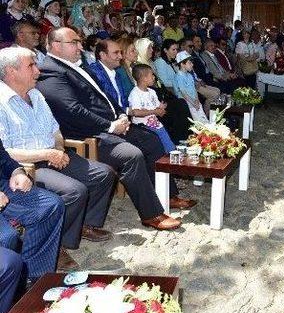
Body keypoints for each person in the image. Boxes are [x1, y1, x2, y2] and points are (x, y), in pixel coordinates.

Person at [37, 27, 190, 230]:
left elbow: (103, 98)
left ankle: (167, 195)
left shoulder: (75, 66)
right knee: (131, 155)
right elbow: (73, 110)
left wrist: (121, 116)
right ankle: (151, 214)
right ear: (56, 46)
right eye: (74, 42)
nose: (80, 47)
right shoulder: (51, 71)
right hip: (88, 135)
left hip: (108, 125)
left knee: (152, 139)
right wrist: (110, 125)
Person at [0, 47, 115, 266]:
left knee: (103, 174)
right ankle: (55, 243)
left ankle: (82, 225)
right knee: (74, 191)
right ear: (11, 71)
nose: (38, 70)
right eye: (31, 65)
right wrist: (46, 153)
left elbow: (55, 130)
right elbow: (4, 152)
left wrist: (59, 149)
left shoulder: (36, 94)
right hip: (26, 165)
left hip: (54, 154)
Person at [0, 138, 65, 280]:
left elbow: (2, 155)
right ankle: (7, 293)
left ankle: (33, 277)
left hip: (3, 186)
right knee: (6, 237)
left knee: (50, 206)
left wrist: (17, 171)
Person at [129, 64, 175, 153]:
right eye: (152, 75)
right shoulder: (135, 93)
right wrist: (155, 111)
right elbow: (136, 112)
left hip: (155, 124)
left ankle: (170, 158)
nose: (154, 77)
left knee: (168, 144)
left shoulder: (152, 92)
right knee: (161, 146)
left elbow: (157, 105)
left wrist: (162, 108)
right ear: (144, 78)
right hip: (143, 126)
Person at [89, 40, 132, 111]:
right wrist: (128, 111)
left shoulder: (115, 73)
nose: (121, 56)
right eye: (116, 53)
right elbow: (102, 105)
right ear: (103, 55)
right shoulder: (94, 73)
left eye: (120, 52)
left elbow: (122, 101)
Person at [175, 51, 209, 123]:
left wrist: (197, 100)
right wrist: (193, 103)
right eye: (189, 63)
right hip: (188, 103)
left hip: (195, 102)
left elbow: (194, 89)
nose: (192, 65)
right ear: (182, 64)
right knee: (197, 123)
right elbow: (183, 92)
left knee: (204, 120)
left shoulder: (189, 75)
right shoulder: (179, 76)